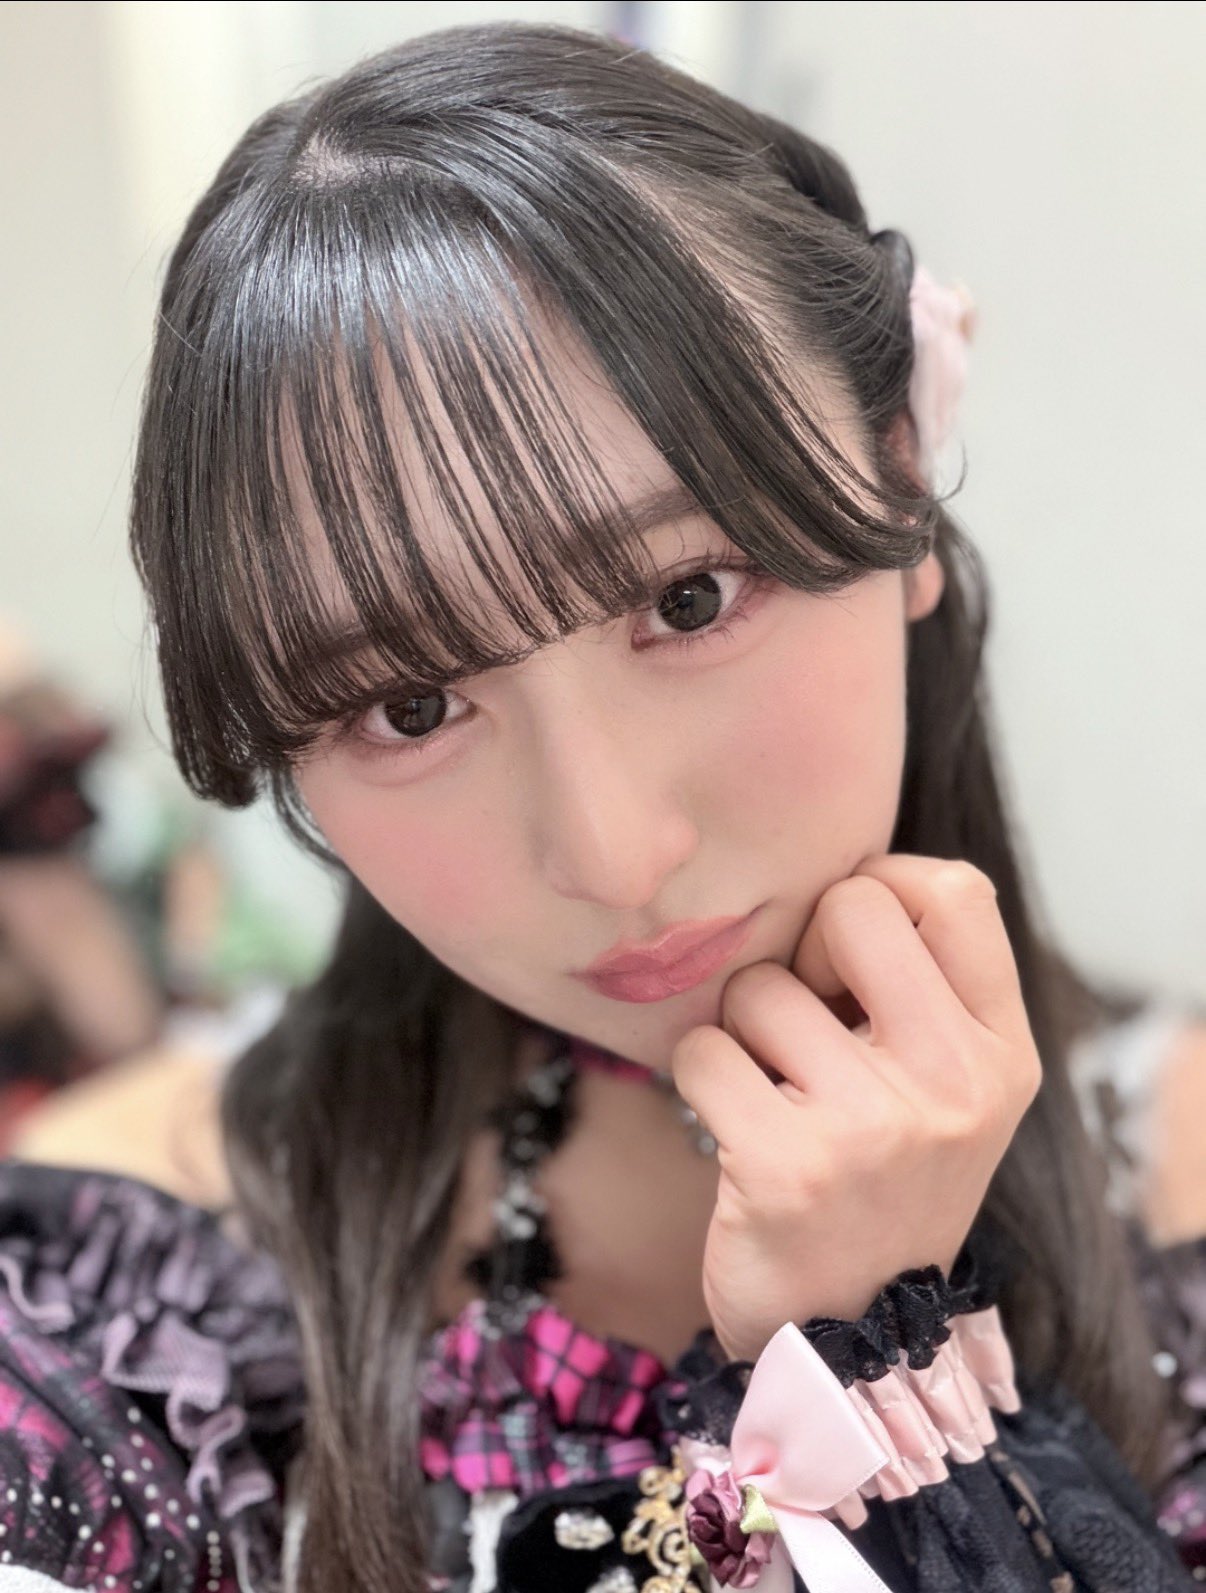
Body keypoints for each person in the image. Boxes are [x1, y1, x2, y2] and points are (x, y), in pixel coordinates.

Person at [0, 20, 1201, 1593]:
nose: (613, 850)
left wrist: (879, 1350)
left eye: (689, 597)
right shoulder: (123, 1295)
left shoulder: (1177, 1174)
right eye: (408, 706)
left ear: (900, 476)